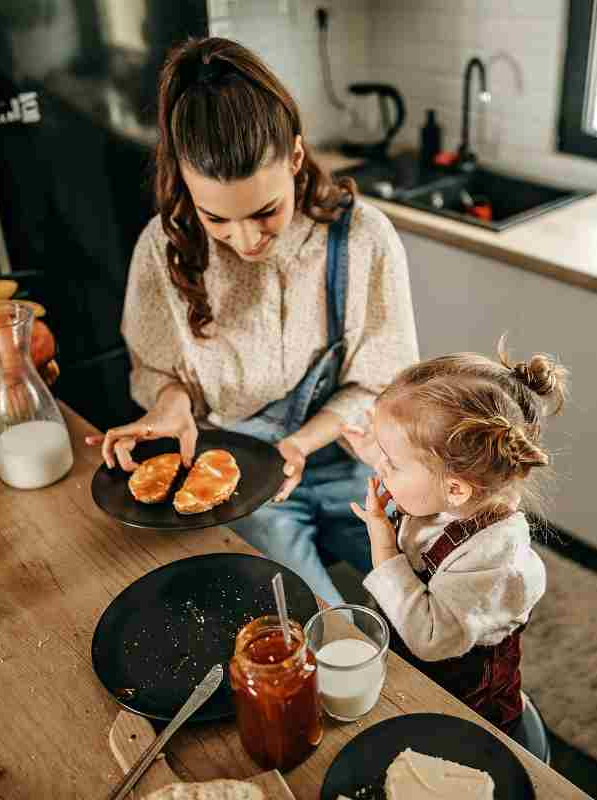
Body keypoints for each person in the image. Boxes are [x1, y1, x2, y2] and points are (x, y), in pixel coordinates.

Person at [87, 37, 418, 607]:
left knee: (437, 592)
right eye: (217, 218)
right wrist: (168, 405)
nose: (245, 240)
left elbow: (383, 381)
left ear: (294, 158)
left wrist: (301, 444)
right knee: (318, 629)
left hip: (349, 460)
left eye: (266, 212)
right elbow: (154, 369)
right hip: (238, 473)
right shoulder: (160, 247)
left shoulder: (364, 238)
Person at [347, 339, 565, 732]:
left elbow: (430, 637)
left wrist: (383, 546)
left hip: (459, 702)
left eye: (392, 462)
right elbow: (426, 479)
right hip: (404, 666)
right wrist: (383, 453)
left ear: (456, 489)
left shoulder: (495, 560)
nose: (382, 468)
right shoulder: (464, 492)